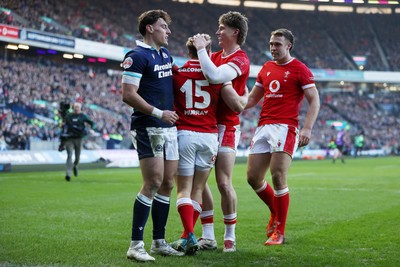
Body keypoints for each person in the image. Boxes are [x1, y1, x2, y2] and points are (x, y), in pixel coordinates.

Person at [171, 34, 248, 255]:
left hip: (185, 134)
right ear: (208, 50)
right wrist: (246, 97)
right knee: (198, 187)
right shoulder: (216, 77)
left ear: (188, 52)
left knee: (185, 189)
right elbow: (235, 102)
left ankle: (189, 234)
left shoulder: (177, 73)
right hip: (209, 136)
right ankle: (206, 236)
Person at [245, 28, 320, 246]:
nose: (273, 48)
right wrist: (232, 103)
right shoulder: (266, 68)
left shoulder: (300, 69)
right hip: (263, 126)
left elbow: (314, 100)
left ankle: (280, 231)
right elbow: (251, 100)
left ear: (288, 46)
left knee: (277, 175)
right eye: (271, 44)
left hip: (285, 127)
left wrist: (307, 129)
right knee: (253, 178)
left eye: (278, 44)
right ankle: (274, 211)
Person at [121, 9, 183, 262]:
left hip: (169, 127)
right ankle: (136, 245)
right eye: (163, 27)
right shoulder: (136, 56)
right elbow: (128, 94)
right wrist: (159, 113)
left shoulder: (164, 54)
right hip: (149, 124)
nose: (168, 31)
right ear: (149, 28)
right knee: (153, 181)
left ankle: (159, 241)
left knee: (168, 183)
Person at [192, 11, 250, 252]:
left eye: (222, 28)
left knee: (223, 183)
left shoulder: (240, 59)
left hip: (226, 127)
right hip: (205, 126)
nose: (217, 32)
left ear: (235, 32)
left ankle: (230, 236)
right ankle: (207, 235)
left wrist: (200, 49)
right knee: (200, 179)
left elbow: (214, 75)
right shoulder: (215, 55)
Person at [63, 102, 95, 182]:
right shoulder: (69, 116)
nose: (76, 108)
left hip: (79, 138)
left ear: (80, 108)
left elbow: (92, 123)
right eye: (75, 107)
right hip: (69, 138)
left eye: (78, 107)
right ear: (73, 107)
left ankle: (75, 165)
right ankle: (68, 174)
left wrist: (91, 129)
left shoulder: (83, 116)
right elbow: (64, 123)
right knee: (69, 155)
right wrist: (62, 125)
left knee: (77, 157)